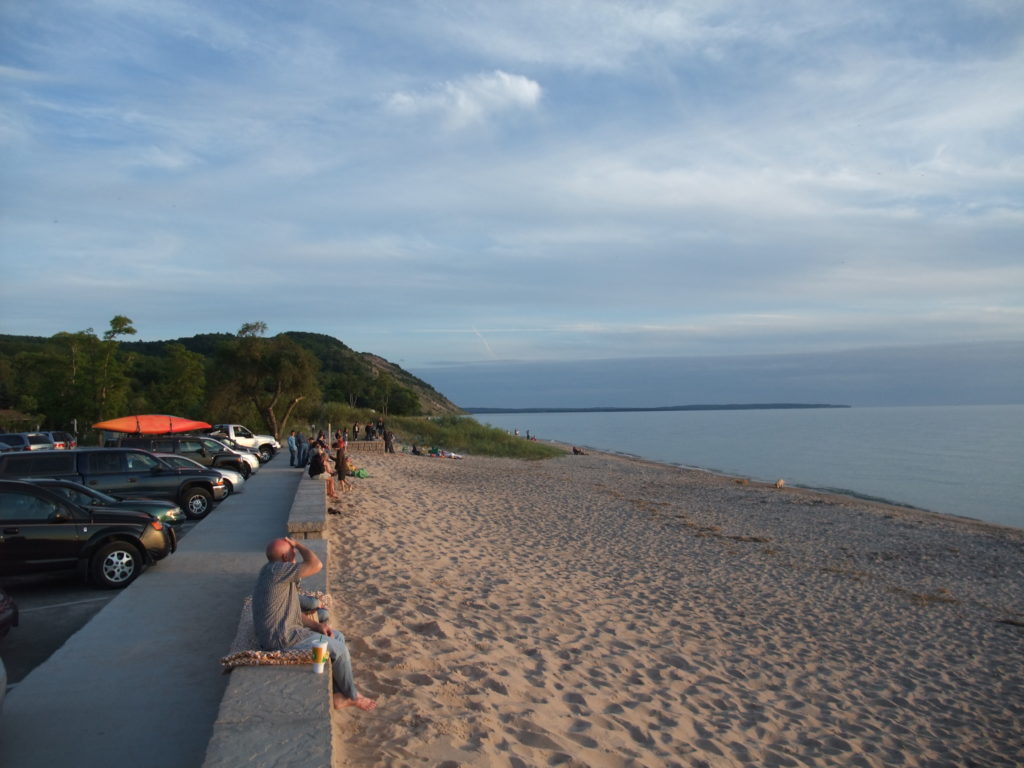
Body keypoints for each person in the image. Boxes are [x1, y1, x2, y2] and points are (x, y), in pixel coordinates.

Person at [252, 537, 376, 712]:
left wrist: (317, 626)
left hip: (283, 631)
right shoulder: (277, 571)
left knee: (337, 636)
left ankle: (339, 694)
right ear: (287, 557)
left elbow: (293, 611)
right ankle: (352, 696)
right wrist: (299, 545)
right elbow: (316, 565)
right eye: (292, 552)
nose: (295, 554)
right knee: (339, 650)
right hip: (281, 638)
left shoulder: (272, 571)